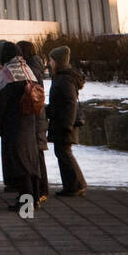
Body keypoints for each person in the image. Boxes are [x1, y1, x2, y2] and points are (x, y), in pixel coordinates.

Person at [0, 41, 42, 212]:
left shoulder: (7, 73)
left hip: (14, 124)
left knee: (21, 164)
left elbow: (1, 103)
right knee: (30, 161)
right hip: (29, 121)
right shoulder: (27, 70)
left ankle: (26, 204)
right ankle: (33, 197)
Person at [47, 45, 88, 198]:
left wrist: (67, 125)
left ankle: (76, 185)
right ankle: (73, 185)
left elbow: (70, 103)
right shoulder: (62, 77)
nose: (49, 63)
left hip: (64, 123)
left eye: (51, 60)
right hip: (63, 121)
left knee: (64, 153)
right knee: (63, 152)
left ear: (58, 62)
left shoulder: (64, 79)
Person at [18, 40, 49, 202]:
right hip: (38, 113)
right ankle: (40, 189)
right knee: (36, 151)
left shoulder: (30, 69)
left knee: (36, 152)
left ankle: (41, 189)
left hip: (35, 114)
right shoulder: (34, 65)